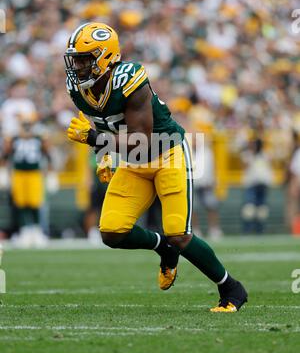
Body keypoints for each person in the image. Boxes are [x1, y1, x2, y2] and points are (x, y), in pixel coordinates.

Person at [64, 22, 247, 312]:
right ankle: (162, 247)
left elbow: (142, 140)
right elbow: (102, 123)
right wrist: (106, 155)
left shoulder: (130, 78)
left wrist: (96, 142)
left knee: (179, 232)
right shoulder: (78, 88)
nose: (77, 66)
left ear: (105, 57)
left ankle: (231, 287)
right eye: (75, 59)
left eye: (84, 59)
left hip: (167, 153)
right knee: (112, 232)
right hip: (133, 161)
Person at [3, 113, 53, 247]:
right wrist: (3, 172)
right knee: (21, 203)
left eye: (28, 123)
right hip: (19, 174)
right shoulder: (13, 138)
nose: (26, 127)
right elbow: (6, 155)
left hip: (34, 173)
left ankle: (37, 231)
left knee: (35, 202)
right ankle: (25, 231)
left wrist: (51, 173)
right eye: (24, 123)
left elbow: (47, 155)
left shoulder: (39, 137)